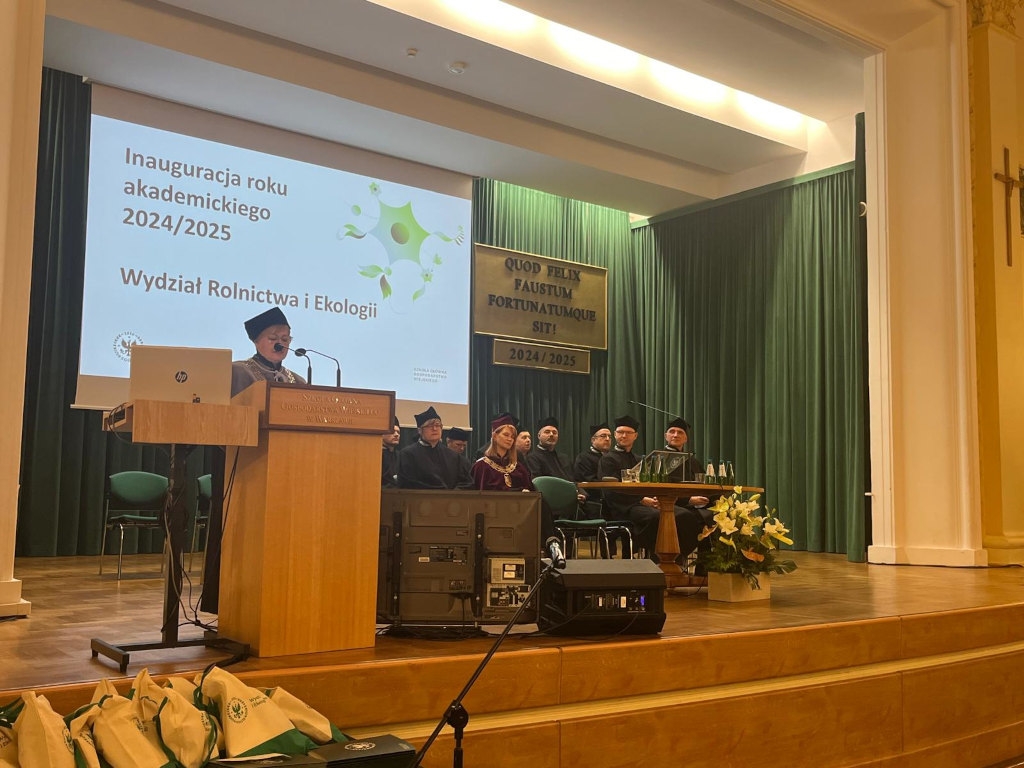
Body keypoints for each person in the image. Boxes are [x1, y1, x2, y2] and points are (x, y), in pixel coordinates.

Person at [231, 306, 307, 396]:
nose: (279, 344)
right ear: (256, 341)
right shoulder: (237, 371)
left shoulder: (298, 381)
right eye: (273, 338)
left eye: (285, 339)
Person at [397, 406, 474, 490]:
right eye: (429, 426)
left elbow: (466, 482)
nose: (434, 429)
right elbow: (407, 483)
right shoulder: (408, 454)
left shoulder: (453, 456)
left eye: (438, 425)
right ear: (420, 430)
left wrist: (452, 494)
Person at [471, 414, 534, 492]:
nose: (510, 439)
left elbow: (531, 491)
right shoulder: (481, 466)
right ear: (495, 436)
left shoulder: (518, 468)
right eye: (506, 435)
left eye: (512, 436)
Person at [526, 417, 573, 482]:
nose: (551, 435)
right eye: (547, 432)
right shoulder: (532, 458)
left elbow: (572, 480)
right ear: (539, 436)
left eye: (554, 432)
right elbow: (538, 482)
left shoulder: (564, 458)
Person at [381, 417, 400, 488]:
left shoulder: (401, 455)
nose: (396, 434)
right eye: (392, 431)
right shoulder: (376, 455)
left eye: (398, 432)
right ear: (382, 434)